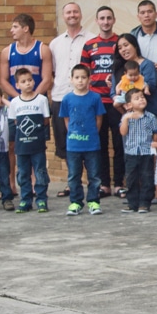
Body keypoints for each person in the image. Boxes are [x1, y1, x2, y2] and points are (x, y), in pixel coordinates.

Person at [79, 6, 123, 198]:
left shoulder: (120, 43)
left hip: (117, 101)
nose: (106, 22)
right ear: (96, 21)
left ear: (114, 20)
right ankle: (104, 184)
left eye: (109, 18)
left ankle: (119, 184)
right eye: (102, 18)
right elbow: (83, 74)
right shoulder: (89, 45)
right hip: (96, 102)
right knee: (100, 144)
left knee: (120, 143)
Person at [59, 63, 106, 216]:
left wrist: (92, 134)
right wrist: (73, 135)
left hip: (92, 145)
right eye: (77, 77)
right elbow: (66, 119)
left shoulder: (95, 97)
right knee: (74, 176)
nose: (80, 80)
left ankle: (93, 201)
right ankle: (76, 202)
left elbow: (99, 119)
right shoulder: (67, 99)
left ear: (89, 79)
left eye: (83, 77)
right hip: (73, 146)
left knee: (94, 175)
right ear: (71, 79)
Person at [48, 2, 87, 180]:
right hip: (60, 97)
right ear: (63, 16)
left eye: (75, 12)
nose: (72, 15)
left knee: (85, 139)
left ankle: (89, 181)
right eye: (68, 12)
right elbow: (52, 71)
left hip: (83, 98)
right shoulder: (54, 43)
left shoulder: (90, 40)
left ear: (81, 14)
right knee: (63, 141)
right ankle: (72, 181)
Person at [9, 66, 51, 213]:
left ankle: (41, 199)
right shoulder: (15, 102)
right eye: (23, 81)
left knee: (40, 172)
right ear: (17, 85)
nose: (28, 83)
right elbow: (15, 122)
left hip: (37, 145)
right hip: (22, 146)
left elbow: (46, 120)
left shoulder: (41, 100)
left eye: (30, 80)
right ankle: (25, 200)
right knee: (23, 173)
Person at [119, 88, 157, 213]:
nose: (141, 99)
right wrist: (126, 119)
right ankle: (132, 203)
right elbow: (123, 132)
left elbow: (155, 134)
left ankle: (145, 203)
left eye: (142, 97)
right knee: (131, 178)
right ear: (129, 104)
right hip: (131, 153)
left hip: (146, 152)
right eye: (137, 98)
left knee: (147, 177)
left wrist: (155, 151)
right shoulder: (126, 117)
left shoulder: (151, 117)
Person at [132, 0, 157, 98]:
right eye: (142, 13)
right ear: (138, 17)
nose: (146, 15)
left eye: (150, 11)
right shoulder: (132, 37)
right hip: (139, 84)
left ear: (156, 14)